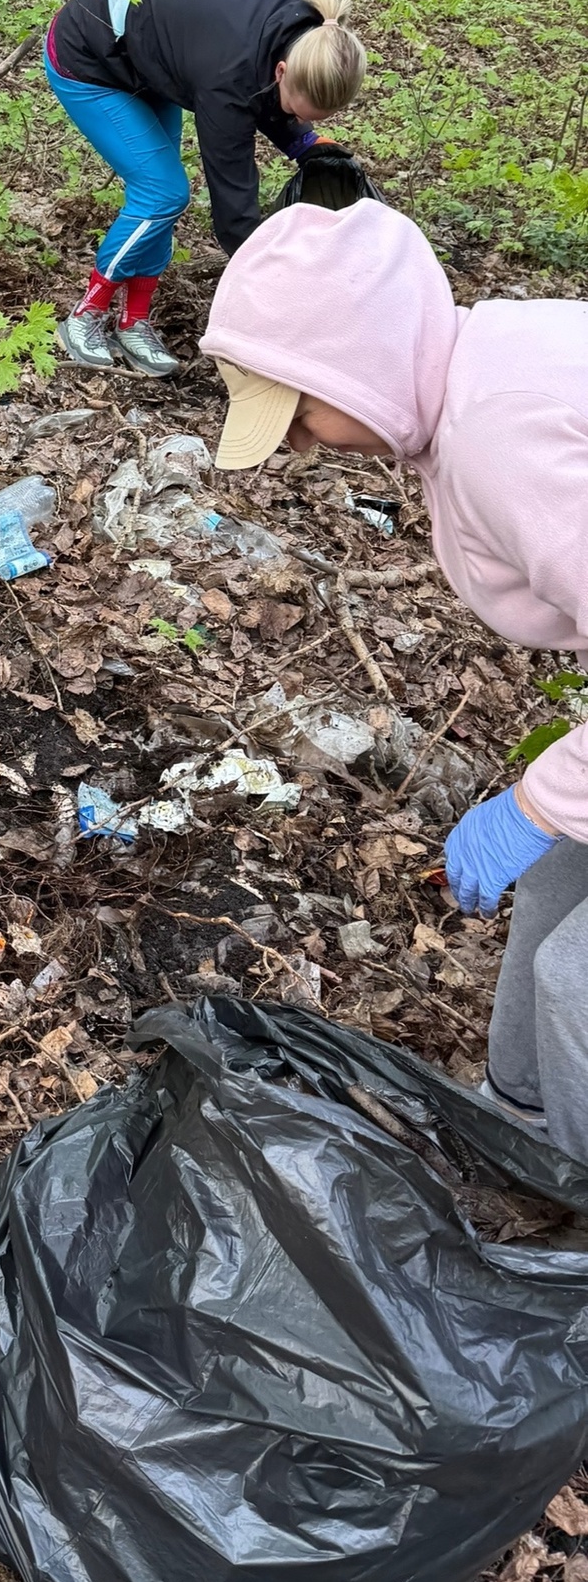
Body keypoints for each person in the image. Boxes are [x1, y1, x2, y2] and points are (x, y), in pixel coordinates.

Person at [201, 198, 588, 1157]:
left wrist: (537, 800)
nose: (297, 444)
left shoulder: (506, 440)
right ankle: (523, 1121)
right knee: (554, 876)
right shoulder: (485, 357)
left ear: (358, 361)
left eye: (298, 413)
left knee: (577, 984)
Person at [45, 0, 369, 378]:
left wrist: (307, 145)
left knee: (163, 195)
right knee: (163, 193)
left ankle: (133, 320)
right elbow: (233, 202)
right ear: (282, 72)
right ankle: (86, 314)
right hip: (88, 57)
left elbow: (267, 94)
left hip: (153, 60)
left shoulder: (312, 32)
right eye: (296, 112)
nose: (294, 119)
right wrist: (272, 279)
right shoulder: (230, 77)